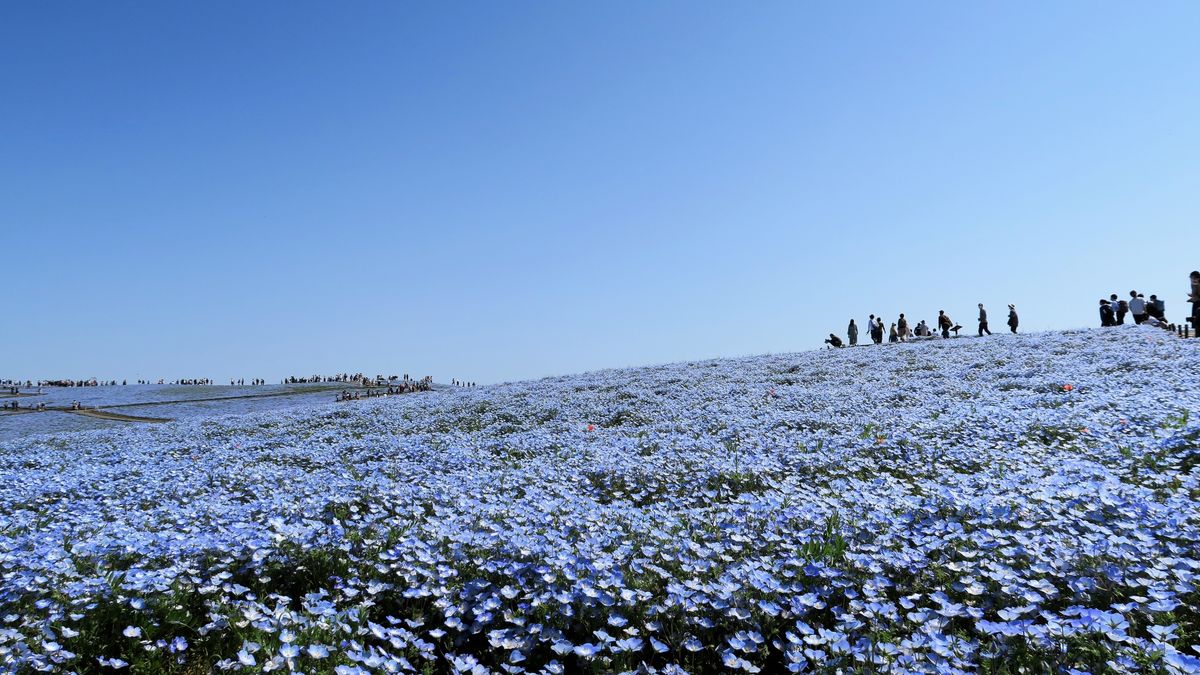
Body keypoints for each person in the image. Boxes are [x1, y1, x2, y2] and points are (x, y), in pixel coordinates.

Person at [1189, 271, 1200, 336]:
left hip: (1197, 302)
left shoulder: (1195, 283)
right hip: (1196, 301)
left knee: (1196, 319)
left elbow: (1196, 294)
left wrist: (1193, 297)